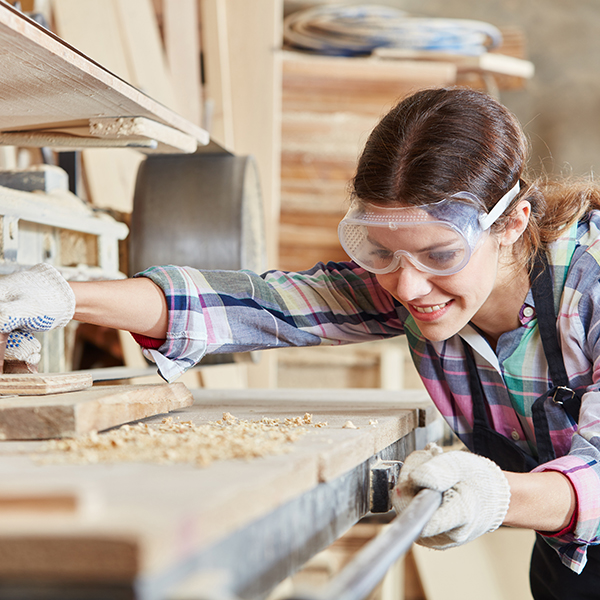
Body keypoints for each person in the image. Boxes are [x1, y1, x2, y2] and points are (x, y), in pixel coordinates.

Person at [1, 86, 599, 599]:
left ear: (513, 222)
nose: (409, 286)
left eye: (440, 255)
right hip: (567, 560)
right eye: (383, 253)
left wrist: (497, 495)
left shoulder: (590, 287)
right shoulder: (417, 285)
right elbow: (261, 305)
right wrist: (66, 296)